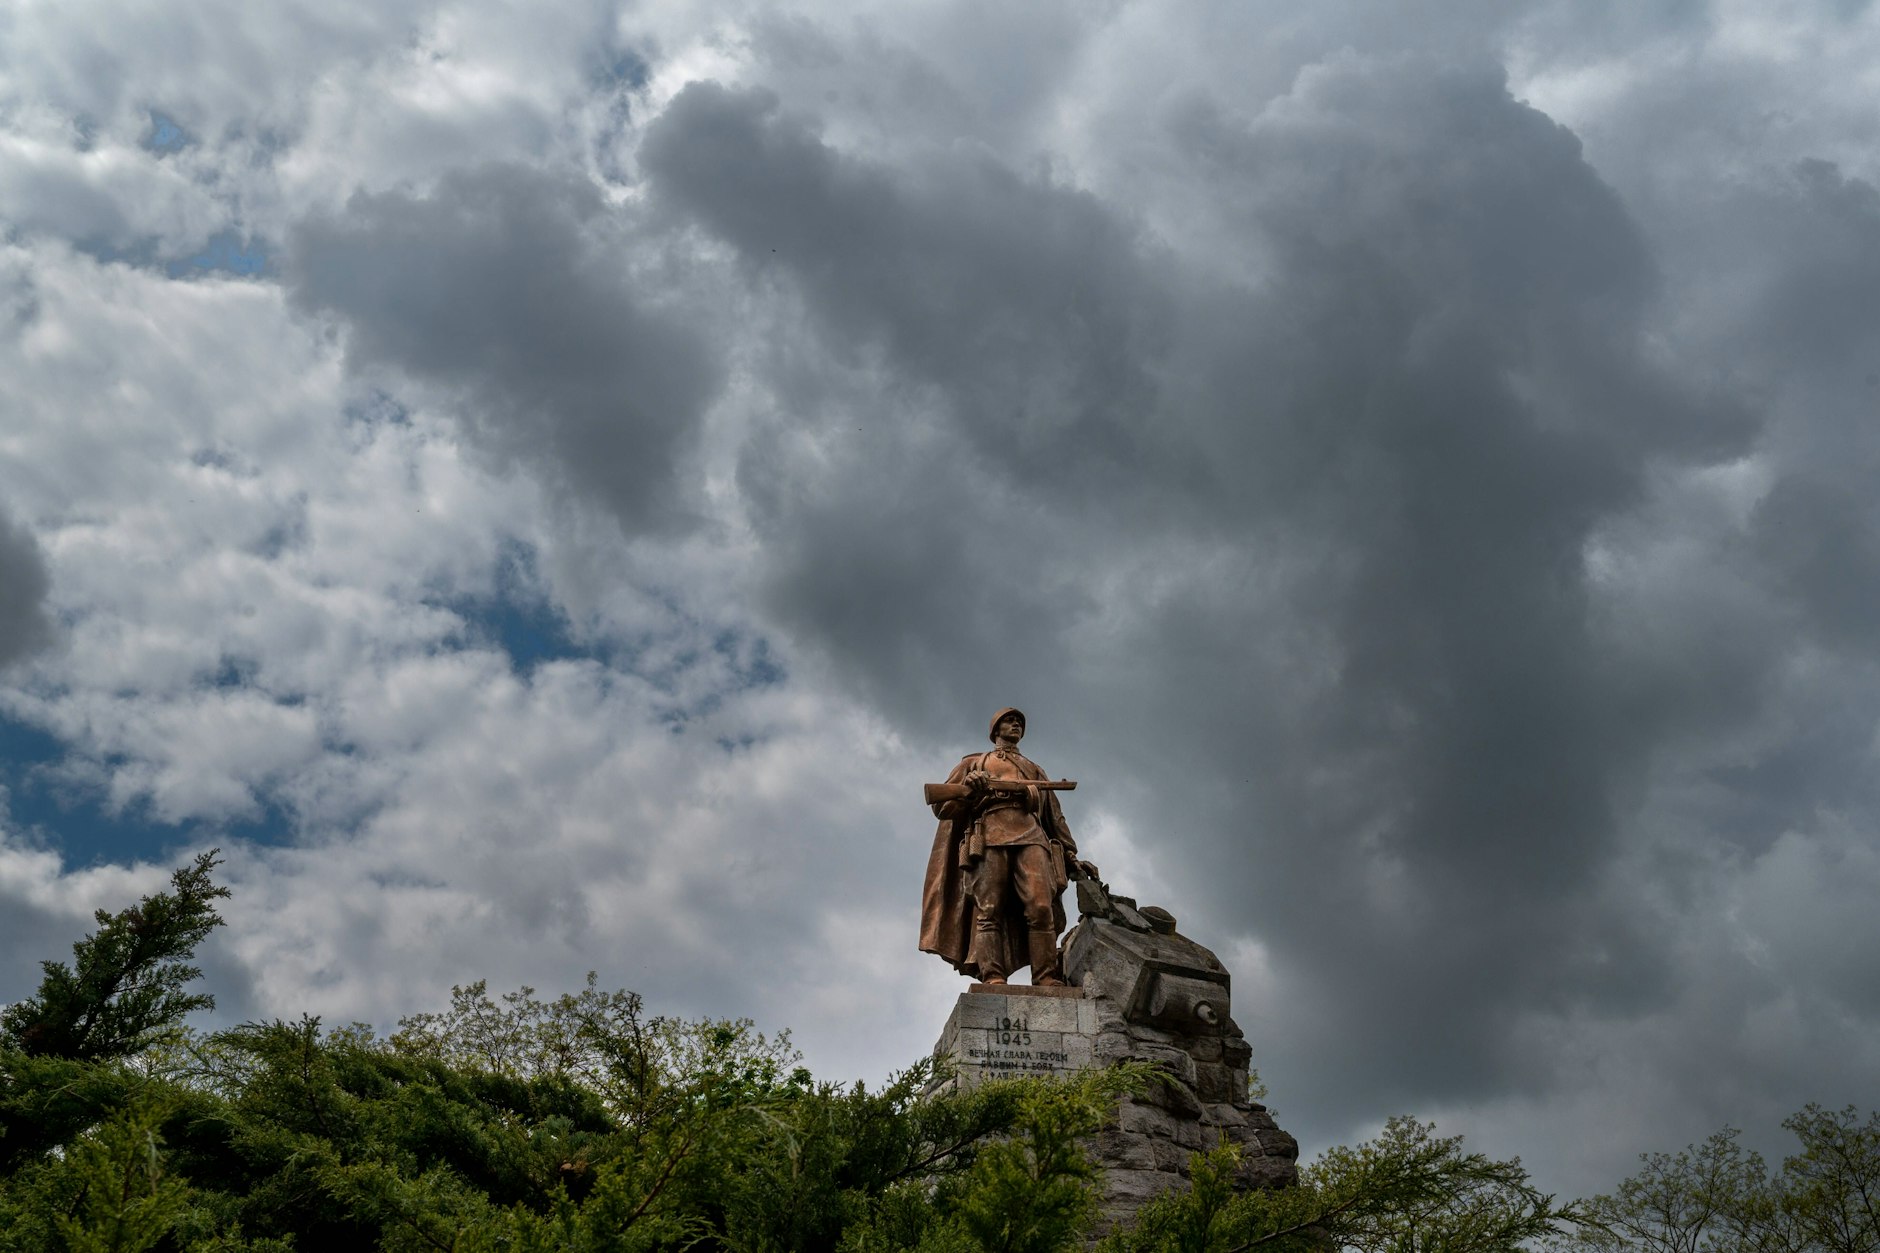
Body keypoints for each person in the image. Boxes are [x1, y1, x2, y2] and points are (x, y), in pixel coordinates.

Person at [919, 708, 1094, 985]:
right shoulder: (975, 763)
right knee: (989, 909)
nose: (1016, 725)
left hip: (1032, 836)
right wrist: (971, 790)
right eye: (1009, 721)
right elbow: (943, 808)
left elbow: (1054, 817)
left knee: (1041, 907)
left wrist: (1071, 855)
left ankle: (1046, 976)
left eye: (1019, 722)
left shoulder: (1034, 769)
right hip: (989, 836)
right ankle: (993, 975)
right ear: (995, 730)